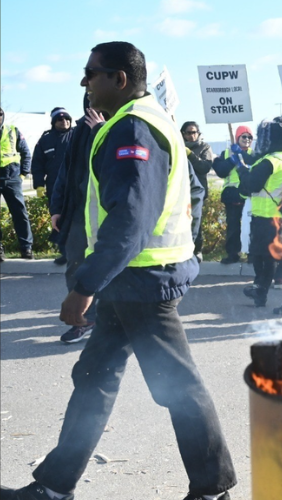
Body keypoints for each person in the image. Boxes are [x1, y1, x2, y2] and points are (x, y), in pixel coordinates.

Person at [0, 42, 237, 500]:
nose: (85, 82)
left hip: (144, 283)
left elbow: (130, 219)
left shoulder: (133, 128)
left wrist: (85, 286)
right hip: (132, 280)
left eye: (91, 73)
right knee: (95, 379)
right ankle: (54, 485)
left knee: (178, 388)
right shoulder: (135, 122)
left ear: (119, 79)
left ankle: (212, 489)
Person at [49, 94, 106, 344]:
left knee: (107, 266)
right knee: (75, 265)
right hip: (78, 213)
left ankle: (108, 319)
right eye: (89, 98)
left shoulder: (121, 123)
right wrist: (57, 207)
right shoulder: (79, 128)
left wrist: (101, 131)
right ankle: (86, 319)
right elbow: (66, 170)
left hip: (106, 213)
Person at [239, 117, 282, 315]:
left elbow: (250, 186)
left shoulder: (269, 161)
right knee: (269, 258)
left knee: (278, 260)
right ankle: (261, 293)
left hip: (266, 217)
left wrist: (240, 167)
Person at [31, 107, 75, 264]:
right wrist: (39, 185)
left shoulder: (77, 135)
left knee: (76, 219)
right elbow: (37, 164)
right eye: (60, 119)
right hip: (54, 187)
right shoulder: (45, 140)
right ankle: (64, 252)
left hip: (75, 184)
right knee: (59, 220)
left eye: (67, 119)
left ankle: (76, 252)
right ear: (53, 122)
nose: (64, 121)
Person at [212, 125, 257, 264]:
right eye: (244, 136)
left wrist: (242, 156)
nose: (247, 139)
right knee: (233, 226)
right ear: (237, 138)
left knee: (251, 226)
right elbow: (220, 171)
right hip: (232, 194)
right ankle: (233, 253)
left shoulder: (255, 154)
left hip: (249, 195)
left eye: (250, 137)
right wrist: (232, 160)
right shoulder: (227, 153)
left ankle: (252, 254)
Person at [0, 106, 34, 260]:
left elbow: (26, 152)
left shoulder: (12, 130)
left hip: (12, 177)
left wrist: (23, 174)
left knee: (20, 213)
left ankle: (26, 248)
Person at [180, 121, 213, 260]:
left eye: (194, 132)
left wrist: (190, 155)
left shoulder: (204, 147)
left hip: (197, 191)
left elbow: (204, 167)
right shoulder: (178, 146)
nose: (192, 135)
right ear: (183, 134)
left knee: (196, 222)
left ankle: (196, 250)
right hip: (181, 190)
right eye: (189, 132)